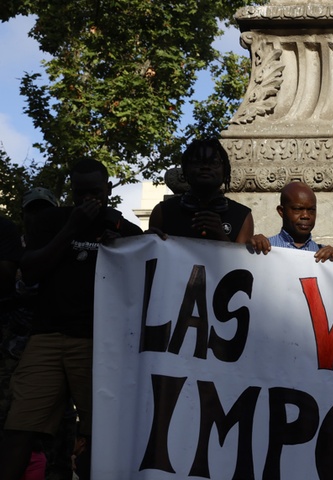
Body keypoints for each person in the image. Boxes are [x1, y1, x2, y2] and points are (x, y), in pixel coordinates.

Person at [0, 158, 142, 480]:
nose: (87, 200)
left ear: (108, 189)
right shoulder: (51, 221)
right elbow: (31, 270)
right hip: (47, 337)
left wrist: (129, 246)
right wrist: (70, 230)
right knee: (19, 428)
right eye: (80, 193)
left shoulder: (126, 230)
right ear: (71, 191)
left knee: (100, 437)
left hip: (98, 342)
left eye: (94, 192)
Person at [149, 138, 254, 243]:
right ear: (185, 170)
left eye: (214, 162)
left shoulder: (242, 216)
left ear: (225, 170)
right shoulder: (162, 212)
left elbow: (239, 259)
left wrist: (220, 235)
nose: (205, 167)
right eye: (197, 162)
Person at [249, 181, 333, 261]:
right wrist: (250, 248)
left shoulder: (324, 255)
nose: (305, 215)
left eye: (311, 210)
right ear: (281, 211)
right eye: (297, 209)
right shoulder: (263, 248)